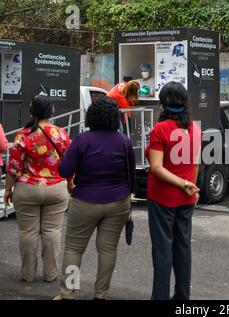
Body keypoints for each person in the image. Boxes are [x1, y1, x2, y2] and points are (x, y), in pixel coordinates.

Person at [52, 97, 135, 300]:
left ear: (92, 115)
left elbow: (64, 170)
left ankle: (68, 293)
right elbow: (131, 174)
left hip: (85, 201)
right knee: (108, 249)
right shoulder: (124, 141)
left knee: (74, 248)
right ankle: (100, 294)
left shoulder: (82, 140)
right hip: (118, 202)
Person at [4, 95, 71, 283]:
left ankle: (28, 274)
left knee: (28, 233)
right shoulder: (61, 134)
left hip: (27, 189)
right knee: (52, 232)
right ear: (51, 112)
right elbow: (69, 163)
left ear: (32, 112)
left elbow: (14, 167)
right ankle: (50, 274)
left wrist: (8, 189)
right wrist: (71, 183)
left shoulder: (24, 135)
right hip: (56, 189)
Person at [145, 81, 201, 300]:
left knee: (162, 249)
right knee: (182, 248)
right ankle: (182, 298)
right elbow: (195, 164)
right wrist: (191, 187)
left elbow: (157, 168)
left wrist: (182, 184)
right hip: (187, 197)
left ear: (163, 104)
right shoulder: (195, 129)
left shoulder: (160, 129)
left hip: (162, 196)